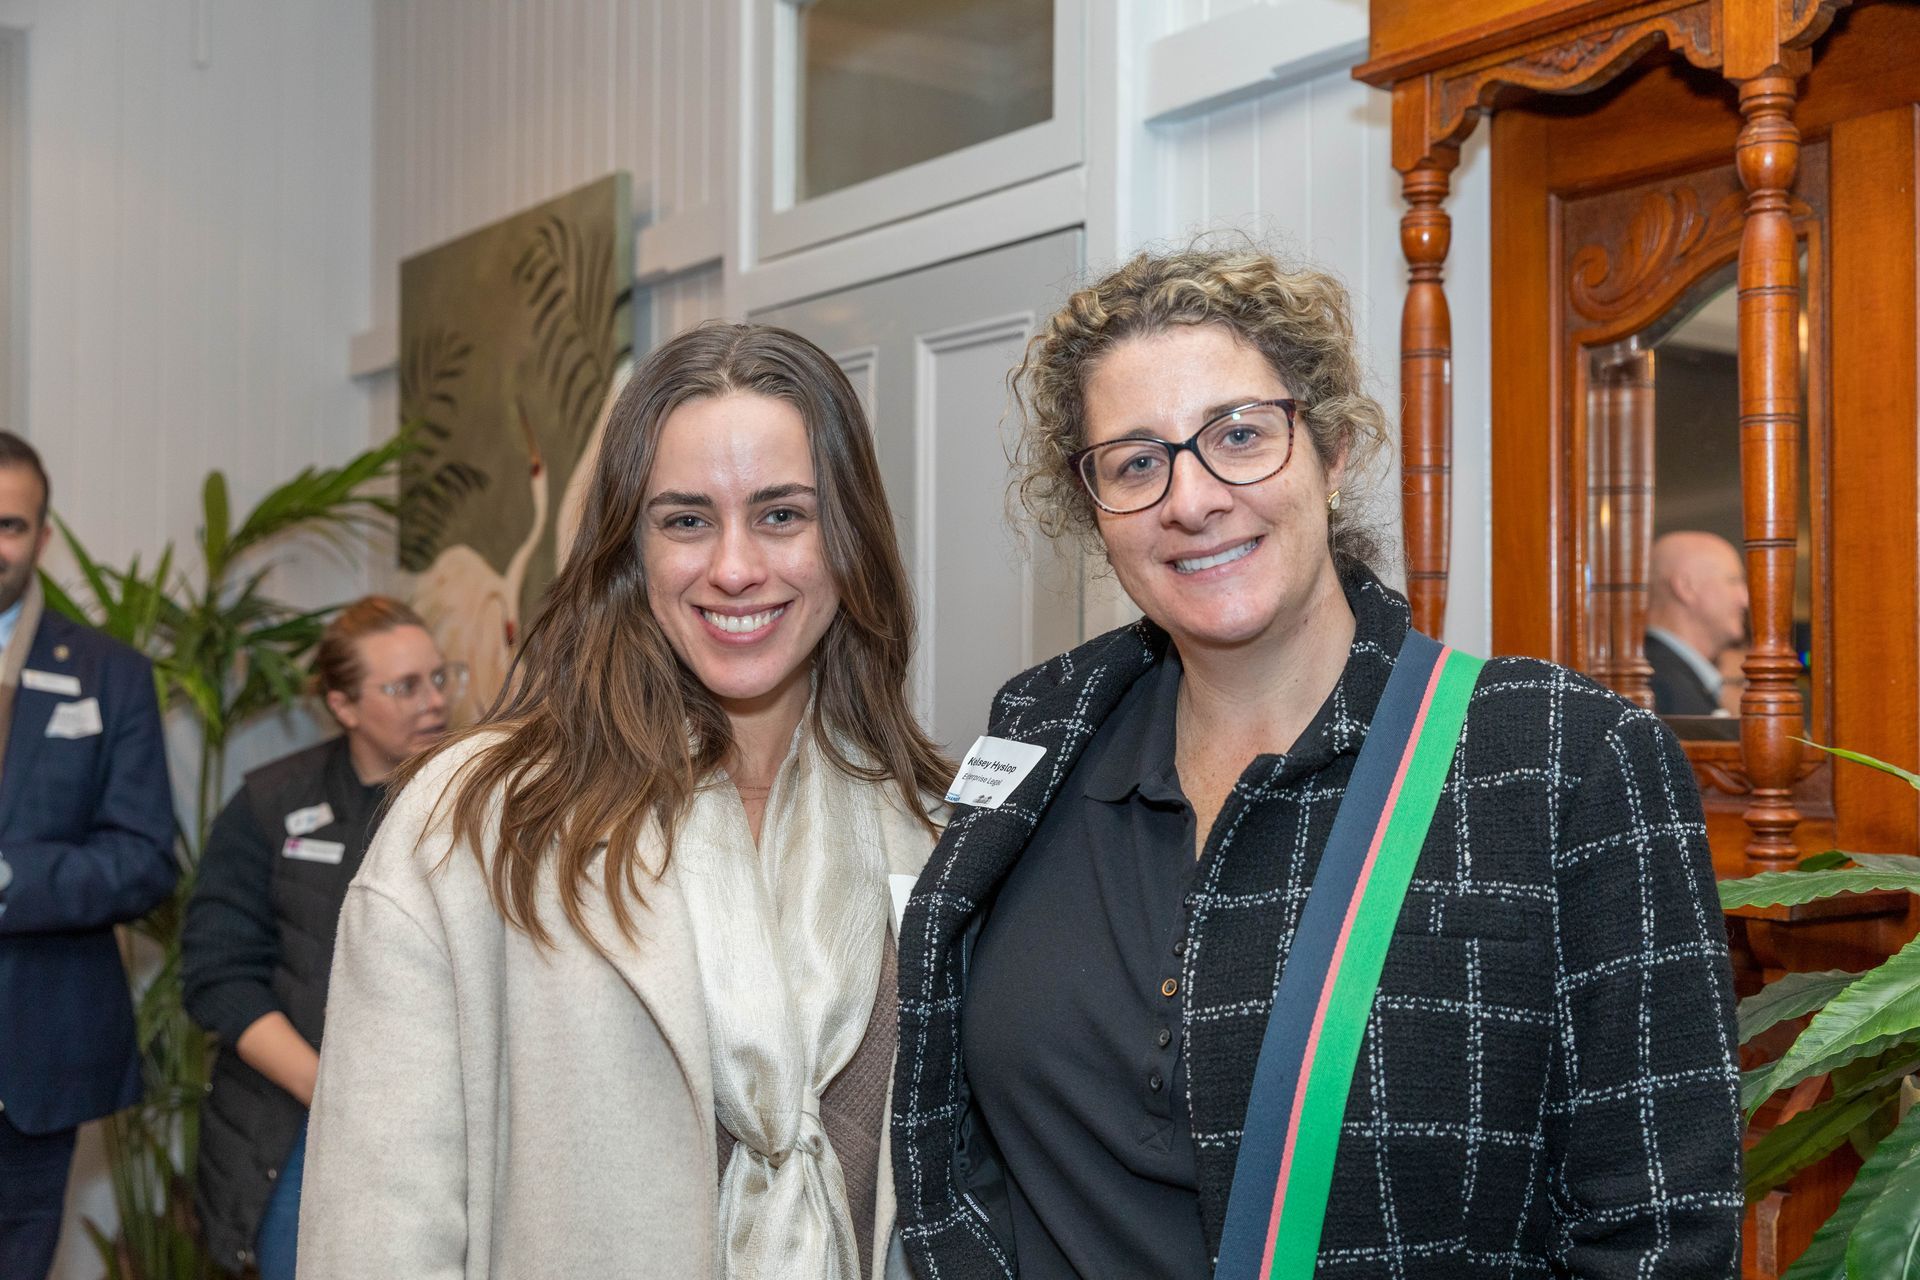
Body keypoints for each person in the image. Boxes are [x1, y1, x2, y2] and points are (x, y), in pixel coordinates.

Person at [891, 248, 1744, 1279]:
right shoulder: (1040, 726)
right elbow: (954, 1139)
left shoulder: (1564, 761)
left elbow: (1659, 1239)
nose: (1192, 498)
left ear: (1332, 449)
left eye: (1239, 435)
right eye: (1133, 461)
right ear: (1094, 511)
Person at [297, 323, 949, 1279]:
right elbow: (377, 1231)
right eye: (685, 520)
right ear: (629, 546)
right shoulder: (473, 824)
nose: (734, 567)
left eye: (781, 516)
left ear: (848, 535)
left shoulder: (934, 826)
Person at [180, 597, 459, 1279]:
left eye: (441, 677)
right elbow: (219, 976)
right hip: (297, 1122)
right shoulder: (270, 803)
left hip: (445, 1122)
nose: (434, 702)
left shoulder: (484, 796)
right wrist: (332, 1089)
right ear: (343, 704)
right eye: (403, 687)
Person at [0, 432, 177, 1279]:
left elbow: (144, 859)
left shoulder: (110, 675)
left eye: (9, 525)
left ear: (41, 535)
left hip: (28, 1068)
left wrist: (9, 879)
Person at [1644, 530, 1750, 716]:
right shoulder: (1658, 685)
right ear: (1686, 587)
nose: (1745, 599)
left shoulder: (1680, 678)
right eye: (1733, 581)